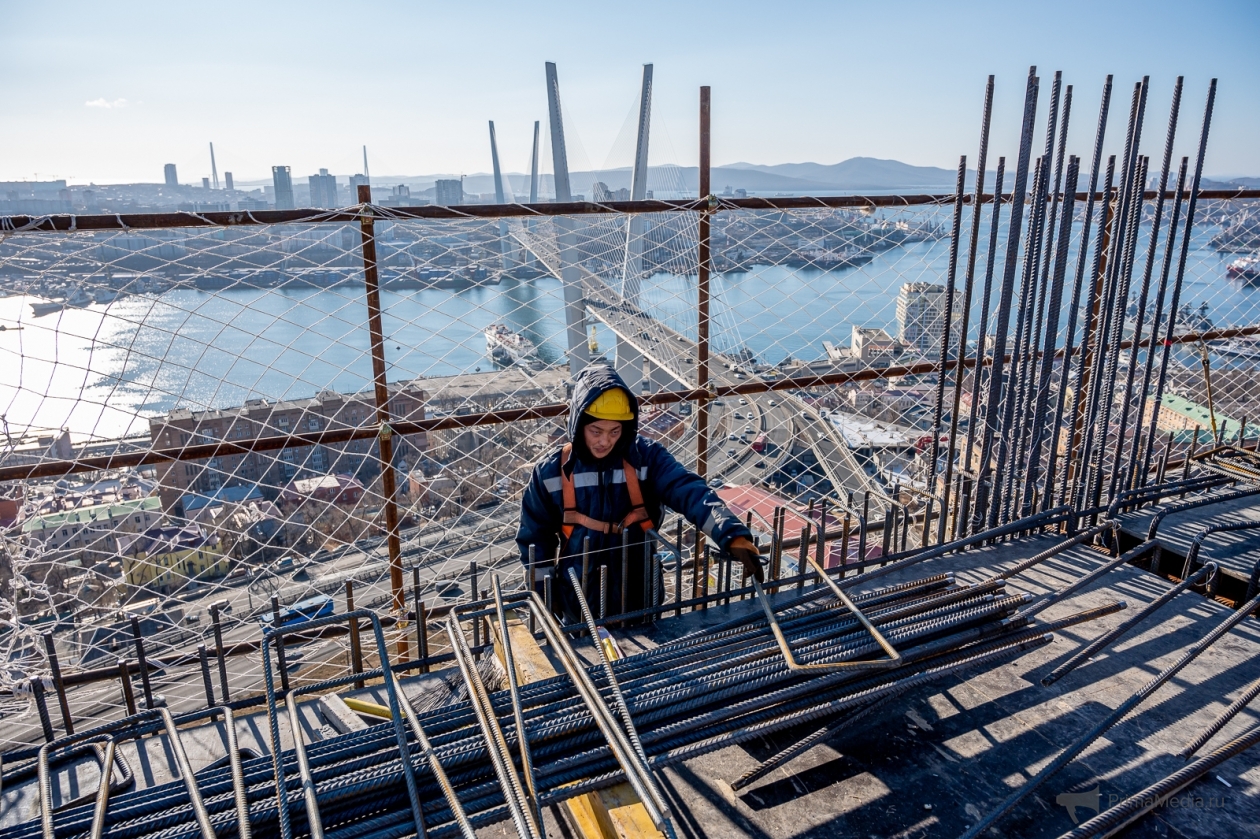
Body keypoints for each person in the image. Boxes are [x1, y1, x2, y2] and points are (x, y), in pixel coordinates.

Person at [517, 363, 763, 623]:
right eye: (595, 431)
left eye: (615, 431)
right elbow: (536, 538)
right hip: (578, 599)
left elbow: (688, 490)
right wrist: (544, 591)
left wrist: (731, 534)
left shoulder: (646, 458)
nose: (605, 441)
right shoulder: (551, 471)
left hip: (639, 592)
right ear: (579, 425)